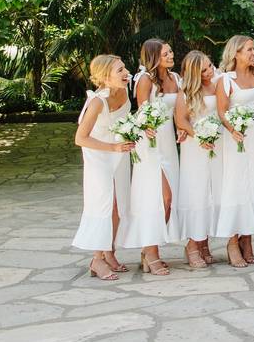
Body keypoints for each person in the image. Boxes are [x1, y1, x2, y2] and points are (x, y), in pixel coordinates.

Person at [118, 39, 181, 275]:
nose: (171, 55)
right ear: (154, 56)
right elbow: (142, 111)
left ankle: (149, 250)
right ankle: (151, 251)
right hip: (150, 143)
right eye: (166, 53)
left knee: (169, 200)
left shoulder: (175, 79)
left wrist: (183, 127)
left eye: (171, 51)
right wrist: (147, 127)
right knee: (159, 198)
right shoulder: (145, 79)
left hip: (168, 144)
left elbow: (180, 110)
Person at [72, 55, 136, 280]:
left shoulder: (124, 91)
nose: (126, 72)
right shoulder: (98, 101)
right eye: (120, 70)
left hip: (118, 153)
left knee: (119, 206)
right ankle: (96, 259)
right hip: (99, 155)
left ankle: (109, 252)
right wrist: (113, 147)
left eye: (124, 68)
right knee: (104, 206)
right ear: (105, 77)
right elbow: (80, 138)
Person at [215, 35, 254, 268]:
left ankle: (247, 239)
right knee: (237, 185)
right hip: (237, 138)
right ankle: (231, 242)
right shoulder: (226, 80)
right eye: (248, 49)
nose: (252, 52)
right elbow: (221, 111)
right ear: (235, 53)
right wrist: (233, 129)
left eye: (253, 49)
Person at [175, 50, 221, 268]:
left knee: (212, 191)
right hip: (195, 146)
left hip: (216, 144)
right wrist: (199, 136)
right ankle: (192, 245)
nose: (210, 71)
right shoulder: (185, 92)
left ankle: (204, 243)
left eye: (210, 65)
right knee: (198, 193)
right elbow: (181, 120)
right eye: (204, 70)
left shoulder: (217, 82)